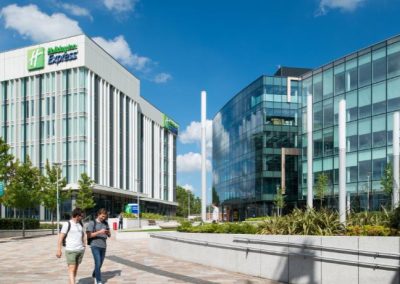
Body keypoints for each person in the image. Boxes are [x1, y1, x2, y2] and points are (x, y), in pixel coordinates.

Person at [56, 207, 86, 284]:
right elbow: (60, 237)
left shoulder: (80, 224)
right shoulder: (67, 224)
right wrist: (59, 250)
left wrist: (84, 245)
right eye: (81, 216)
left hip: (80, 250)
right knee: (71, 269)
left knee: (75, 270)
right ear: (77, 215)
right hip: (71, 250)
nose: (82, 218)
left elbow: (82, 235)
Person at [87, 208, 111, 284]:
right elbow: (89, 235)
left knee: (100, 263)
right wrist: (99, 232)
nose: (103, 218)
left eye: (105, 217)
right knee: (97, 262)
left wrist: (107, 233)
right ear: (98, 214)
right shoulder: (92, 223)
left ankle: (94, 274)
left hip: (103, 246)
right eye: (102, 216)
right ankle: (98, 281)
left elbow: (109, 234)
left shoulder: (106, 223)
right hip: (95, 245)